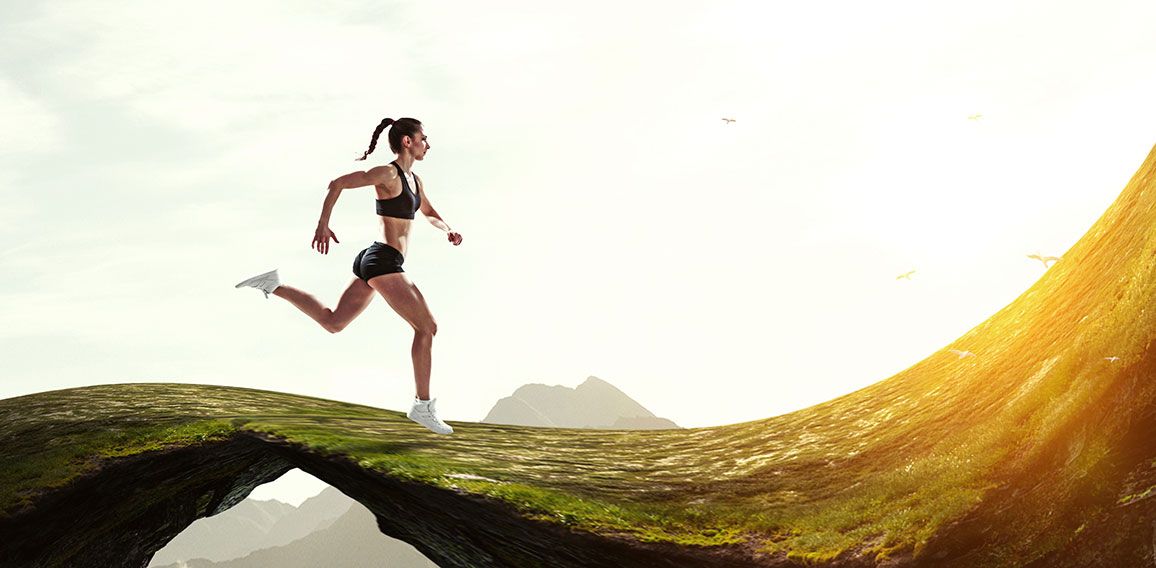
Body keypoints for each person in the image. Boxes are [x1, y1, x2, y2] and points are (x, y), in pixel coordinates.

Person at [236, 117, 461, 434]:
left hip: (376, 260)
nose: (428, 143)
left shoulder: (415, 181)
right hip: (383, 261)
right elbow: (337, 183)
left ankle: (273, 285)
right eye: (424, 137)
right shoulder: (388, 174)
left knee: (333, 322)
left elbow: (429, 213)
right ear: (407, 142)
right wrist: (322, 223)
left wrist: (448, 229)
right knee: (427, 327)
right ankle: (422, 408)